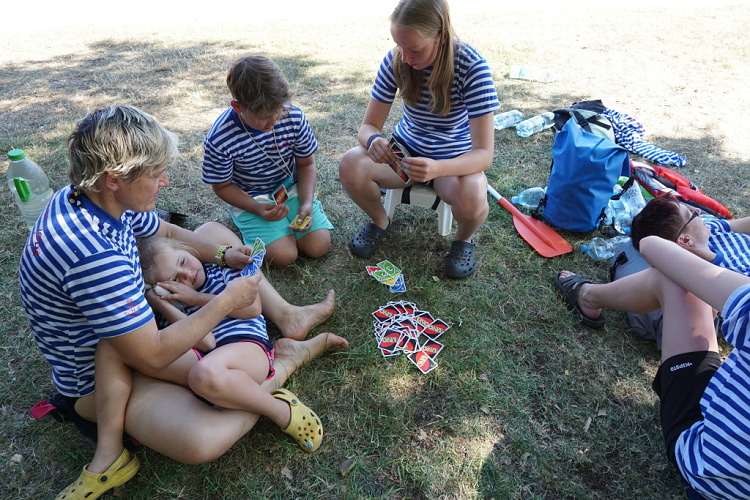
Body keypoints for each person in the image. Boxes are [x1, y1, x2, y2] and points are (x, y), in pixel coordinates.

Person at [18, 105, 341, 500]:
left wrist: (221, 255)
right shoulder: (91, 254)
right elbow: (151, 354)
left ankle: (286, 315)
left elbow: (165, 230)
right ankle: (283, 365)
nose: (165, 181)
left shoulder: (88, 198)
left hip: (134, 334)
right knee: (201, 438)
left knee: (211, 234)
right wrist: (224, 301)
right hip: (100, 376)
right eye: (155, 174)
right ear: (114, 179)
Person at [338, 0, 500, 279]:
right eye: (399, 46)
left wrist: (438, 168)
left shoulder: (472, 67)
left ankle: (464, 239)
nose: (405, 58)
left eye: (414, 49)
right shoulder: (396, 60)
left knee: (474, 194)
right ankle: (380, 221)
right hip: (404, 153)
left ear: (441, 36)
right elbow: (368, 126)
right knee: (351, 163)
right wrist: (374, 140)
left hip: (453, 160)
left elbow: (484, 155)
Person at [586, 235, 750, 499]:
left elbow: (651, 245)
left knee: (678, 281)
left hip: (716, 474)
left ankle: (587, 296)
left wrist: (705, 254)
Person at [202, 55, 333, 268]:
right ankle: (253, 223)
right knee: (283, 256)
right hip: (250, 198)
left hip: (291, 188)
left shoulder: (294, 116)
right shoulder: (220, 138)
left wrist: (307, 202)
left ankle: (295, 216)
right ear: (238, 107)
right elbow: (222, 186)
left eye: (278, 111)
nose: (272, 121)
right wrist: (256, 208)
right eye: (263, 116)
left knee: (318, 246)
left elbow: (306, 164)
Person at [555, 195, 750, 337]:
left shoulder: (707, 229)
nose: (699, 212)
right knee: (667, 277)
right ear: (684, 240)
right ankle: (590, 297)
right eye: (692, 214)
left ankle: (589, 295)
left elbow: (735, 225)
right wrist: (709, 257)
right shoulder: (720, 270)